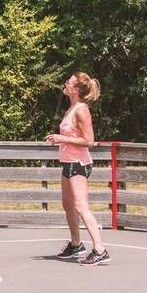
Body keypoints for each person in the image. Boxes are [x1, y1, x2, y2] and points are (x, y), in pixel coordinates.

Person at [46, 71, 111, 266]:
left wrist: (61, 138)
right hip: (68, 162)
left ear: (75, 89)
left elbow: (89, 141)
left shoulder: (82, 109)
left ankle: (100, 250)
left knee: (81, 207)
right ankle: (76, 244)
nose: (65, 84)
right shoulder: (71, 109)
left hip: (79, 163)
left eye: (69, 83)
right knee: (68, 205)